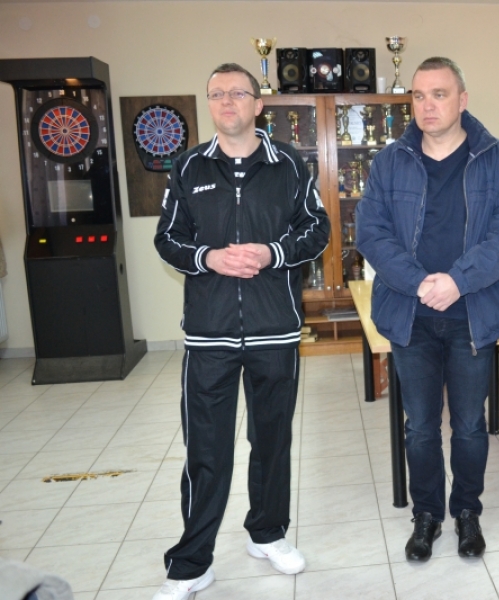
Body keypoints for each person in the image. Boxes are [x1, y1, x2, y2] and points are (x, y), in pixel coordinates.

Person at [152, 63, 329, 600]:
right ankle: (192, 562)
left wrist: (272, 253)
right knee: (206, 450)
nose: (227, 101)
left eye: (237, 93)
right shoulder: (188, 167)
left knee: (272, 441)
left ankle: (267, 533)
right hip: (209, 335)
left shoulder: (288, 164)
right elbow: (167, 239)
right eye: (217, 94)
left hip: (275, 329)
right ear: (209, 104)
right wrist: (208, 258)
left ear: (258, 104)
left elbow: (317, 229)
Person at [355, 57, 499, 561]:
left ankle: (467, 512)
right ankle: (427, 515)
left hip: (471, 316)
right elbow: (371, 233)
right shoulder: (390, 161)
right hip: (410, 316)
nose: (427, 105)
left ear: (462, 100)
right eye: (418, 95)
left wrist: (457, 281)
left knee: (471, 426)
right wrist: (418, 283)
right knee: (420, 427)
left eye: (439, 94)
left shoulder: (498, 159)